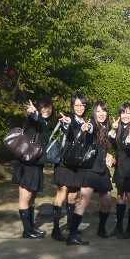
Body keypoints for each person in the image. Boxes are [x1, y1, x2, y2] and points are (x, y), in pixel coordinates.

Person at [65, 101, 114, 246]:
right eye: (98, 111)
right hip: (90, 169)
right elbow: (90, 129)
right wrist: (87, 128)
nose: (101, 114)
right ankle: (72, 236)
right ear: (94, 113)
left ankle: (101, 228)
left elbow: (106, 145)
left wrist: (109, 155)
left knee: (107, 202)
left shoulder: (107, 127)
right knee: (84, 201)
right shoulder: (92, 124)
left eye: (103, 111)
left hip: (102, 170)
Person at [50, 93, 90, 241]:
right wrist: (67, 123)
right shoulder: (69, 118)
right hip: (64, 162)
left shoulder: (85, 121)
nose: (79, 108)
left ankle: (70, 225)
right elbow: (68, 130)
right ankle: (55, 230)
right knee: (61, 194)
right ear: (72, 106)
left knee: (73, 195)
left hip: (76, 163)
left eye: (82, 105)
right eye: (76, 105)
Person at [13, 98, 54, 239]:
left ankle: (31, 227)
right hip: (26, 165)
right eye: (44, 107)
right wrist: (33, 113)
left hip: (36, 164)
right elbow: (34, 119)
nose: (47, 110)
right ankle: (27, 230)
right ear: (39, 108)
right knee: (25, 197)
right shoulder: (35, 121)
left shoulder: (45, 124)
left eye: (49, 108)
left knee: (32, 196)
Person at [108, 103, 130, 239]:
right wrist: (113, 130)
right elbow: (112, 144)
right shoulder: (119, 128)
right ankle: (119, 226)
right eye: (123, 113)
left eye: (128, 113)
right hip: (120, 167)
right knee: (120, 197)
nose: (125, 116)